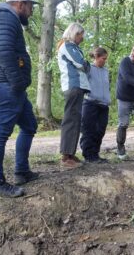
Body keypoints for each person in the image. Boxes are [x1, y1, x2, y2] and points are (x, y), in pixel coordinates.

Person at [0, 0, 39, 198]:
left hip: (10, 84)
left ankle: (22, 171)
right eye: (30, 6)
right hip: (4, 84)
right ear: (20, 4)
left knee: (29, 125)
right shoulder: (6, 17)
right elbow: (4, 51)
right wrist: (17, 83)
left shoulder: (9, 18)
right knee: (0, 133)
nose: (31, 11)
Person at [57, 23, 90, 169]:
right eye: (80, 34)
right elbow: (81, 64)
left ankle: (70, 154)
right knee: (70, 120)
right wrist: (86, 63)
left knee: (76, 120)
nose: (82, 38)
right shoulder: (67, 46)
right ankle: (65, 157)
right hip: (73, 86)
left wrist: (86, 64)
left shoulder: (74, 47)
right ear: (74, 33)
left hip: (78, 87)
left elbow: (84, 65)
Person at [80, 47, 110, 163]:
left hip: (104, 105)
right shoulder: (89, 69)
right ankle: (88, 156)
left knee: (100, 130)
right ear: (96, 57)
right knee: (89, 130)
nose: (105, 61)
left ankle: (95, 155)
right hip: (90, 103)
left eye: (106, 59)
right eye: (103, 58)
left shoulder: (105, 71)